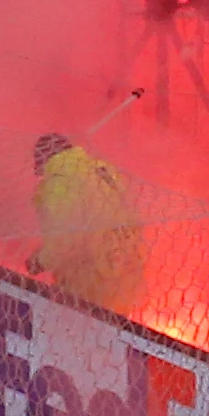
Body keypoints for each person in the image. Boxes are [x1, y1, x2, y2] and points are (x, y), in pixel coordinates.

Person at [31, 130, 143, 310]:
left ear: (43, 161)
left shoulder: (58, 182)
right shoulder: (104, 172)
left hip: (88, 279)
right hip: (126, 274)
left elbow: (66, 238)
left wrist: (39, 261)